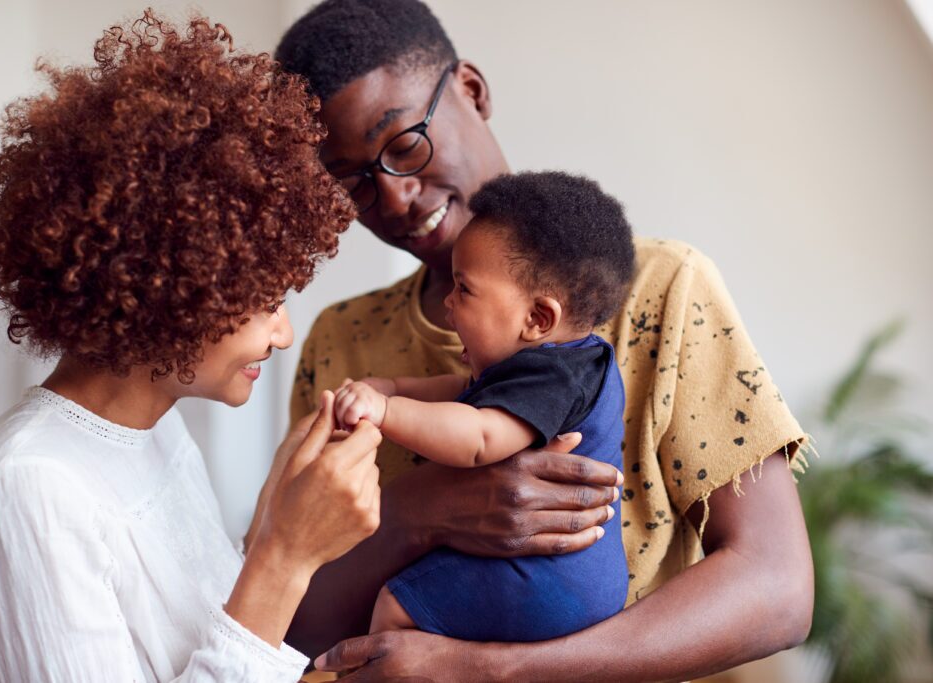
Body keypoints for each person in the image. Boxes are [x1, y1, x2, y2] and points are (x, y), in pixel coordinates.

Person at [273, 0, 814, 680]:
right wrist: (421, 511)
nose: (395, 195)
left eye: (404, 143)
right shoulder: (342, 342)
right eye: (352, 181)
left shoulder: (662, 290)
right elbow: (290, 614)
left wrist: (496, 668)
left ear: (471, 89)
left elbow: (777, 587)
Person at [0, 12, 381, 682]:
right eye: (265, 299)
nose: (283, 332)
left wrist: (271, 525)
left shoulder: (155, 432)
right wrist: (284, 558)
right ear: (165, 281)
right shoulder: (29, 485)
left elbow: (193, 641)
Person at [333, 171, 633, 641]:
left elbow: (476, 438)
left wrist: (384, 411)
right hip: (575, 577)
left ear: (537, 318)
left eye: (464, 289)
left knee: (397, 603)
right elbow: (460, 393)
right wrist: (393, 386)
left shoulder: (551, 377)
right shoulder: (570, 363)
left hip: (548, 577)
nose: (448, 303)